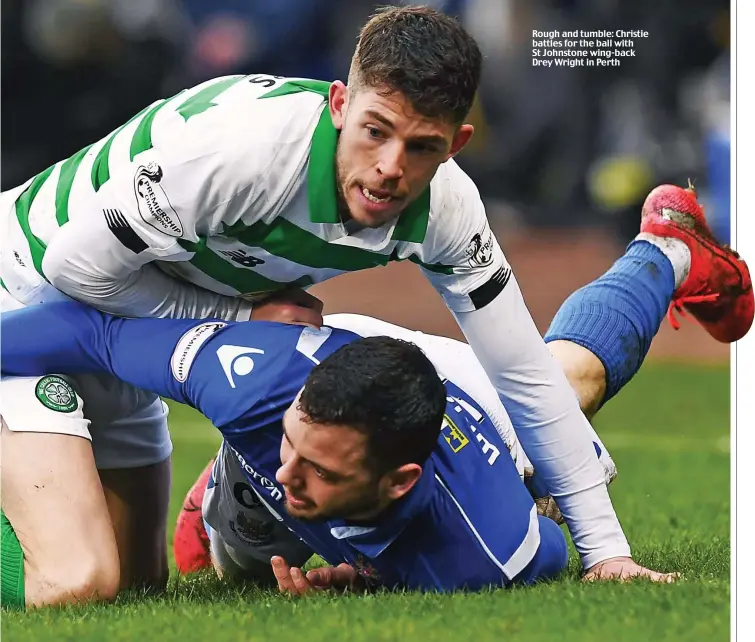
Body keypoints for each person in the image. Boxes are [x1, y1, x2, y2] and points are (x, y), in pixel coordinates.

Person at [0, 4, 750, 606]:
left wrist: (607, 556)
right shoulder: (236, 153)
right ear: (337, 105)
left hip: (152, 321)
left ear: (456, 144)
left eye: (421, 147)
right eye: (374, 132)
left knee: (135, 590)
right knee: (77, 584)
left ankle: (667, 251)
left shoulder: (448, 211)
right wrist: (241, 324)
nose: (391, 169)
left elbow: (524, 372)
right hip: (30, 293)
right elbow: (74, 274)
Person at [1, 302, 572, 593]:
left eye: (319, 469)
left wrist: (371, 576)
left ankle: (661, 247)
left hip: (468, 397)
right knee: (85, 582)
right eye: (290, 446)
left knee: (577, 381)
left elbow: (549, 538)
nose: (287, 472)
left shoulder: (491, 554)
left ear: (398, 482)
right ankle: (231, 473)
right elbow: (94, 332)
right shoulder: (251, 385)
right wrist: (299, 451)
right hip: (307, 355)